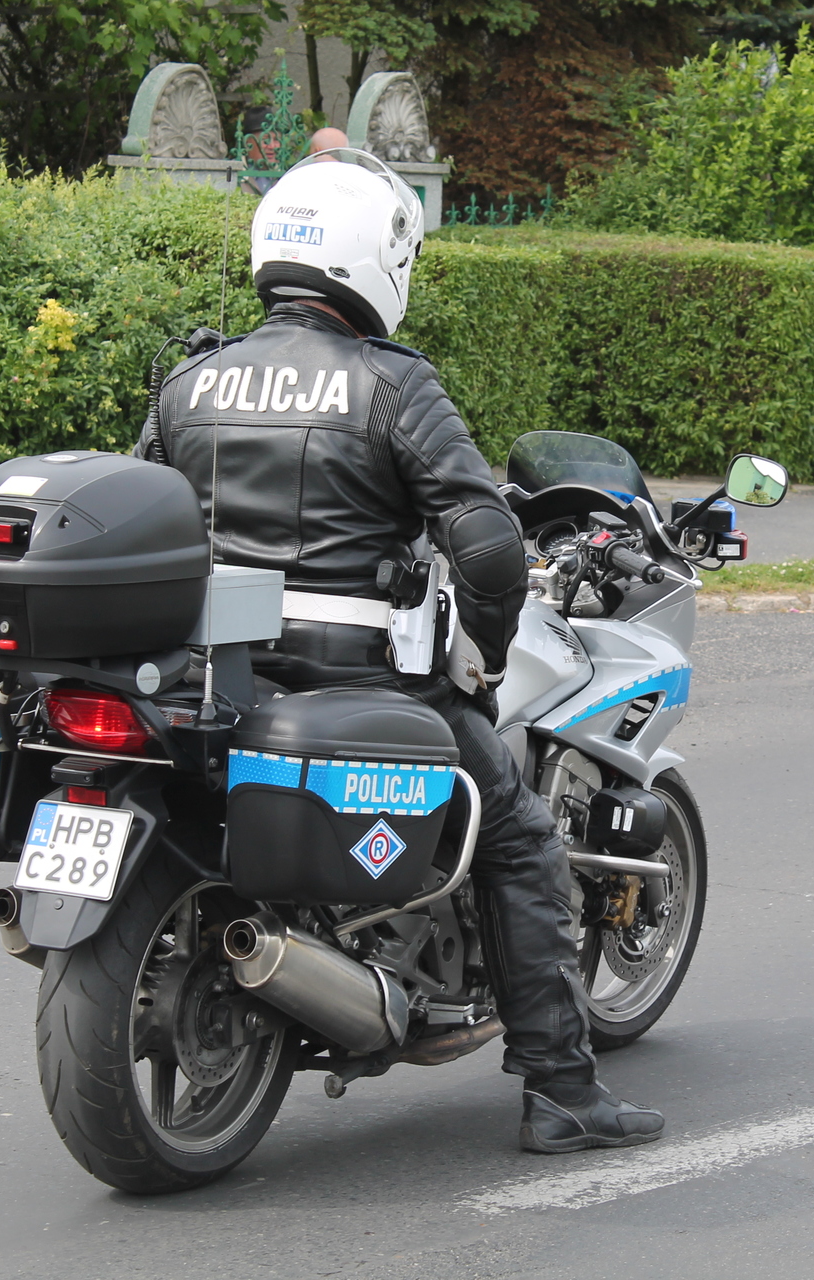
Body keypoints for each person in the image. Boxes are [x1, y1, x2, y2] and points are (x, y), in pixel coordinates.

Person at [136, 148, 665, 1154]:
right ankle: (560, 1087)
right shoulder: (389, 386)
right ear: (376, 260)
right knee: (517, 833)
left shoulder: (192, 377)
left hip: (217, 678)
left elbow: (146, 516)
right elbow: (486, 541)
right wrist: (488, 650)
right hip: (357, 677)